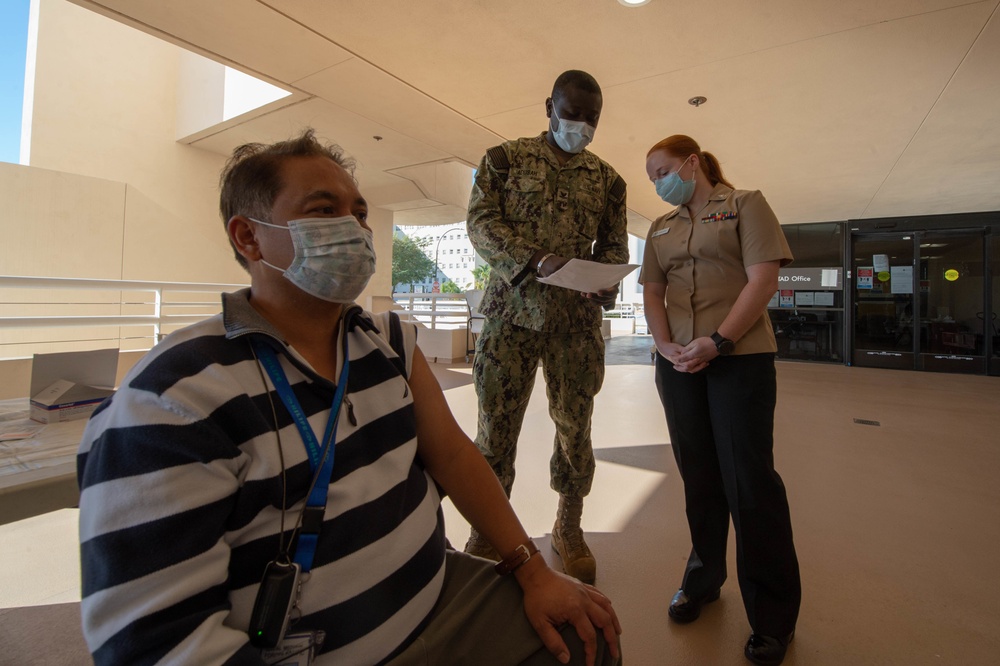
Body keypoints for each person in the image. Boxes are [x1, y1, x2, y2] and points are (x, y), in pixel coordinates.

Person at [77, 129, 622, 666]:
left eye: (359, 214)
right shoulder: (174, 397)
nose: (356, 230)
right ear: (249, 238)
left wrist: (533, 569)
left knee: (587, 636)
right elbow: (154, 642)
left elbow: (454, 455)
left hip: (439, 602)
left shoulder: (387, 341)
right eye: (324, 211)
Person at [639, 135, 801, 665]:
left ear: (691, 162)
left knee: (748, 482)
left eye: (662, 170)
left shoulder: (744, 205)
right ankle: (703, 580)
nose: (658, 183)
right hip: (680, 366)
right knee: (700, 478)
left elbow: (763, 278)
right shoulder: (659, 228)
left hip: (738, 360)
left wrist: (721, 340)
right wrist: (664, 347)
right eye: (651, 178)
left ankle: (773, 617)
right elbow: (652, 291)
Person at [465, 70, 629, 584]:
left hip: (575, 325)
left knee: (575, 427)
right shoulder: (504, 159)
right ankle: (489, 531)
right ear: (550, 107)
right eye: (572, 113)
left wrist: (607, 283)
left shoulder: (609, 180)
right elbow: (481, 224)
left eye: (592, 118)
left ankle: (569, 525)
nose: (581, 125)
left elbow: (615, 249)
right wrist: (536, 260)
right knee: (496, 427)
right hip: (510, 317)